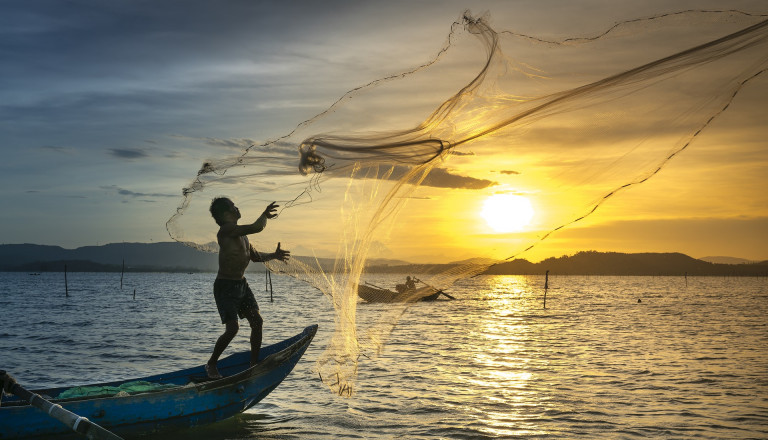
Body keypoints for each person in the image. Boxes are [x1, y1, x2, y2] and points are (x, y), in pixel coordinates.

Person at [205, 197, 290, 379]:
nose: (237, 208)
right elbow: (257, 227)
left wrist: (274, 255)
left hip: (241, 285)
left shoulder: (242, 235)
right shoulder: (226, 231)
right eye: (233, 206)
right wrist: (265, 215)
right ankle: (211, 364)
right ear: (226, 214)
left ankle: (253, 364)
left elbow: (255, 257)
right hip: (225, 287)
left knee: (257, 322)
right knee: (232, 329)